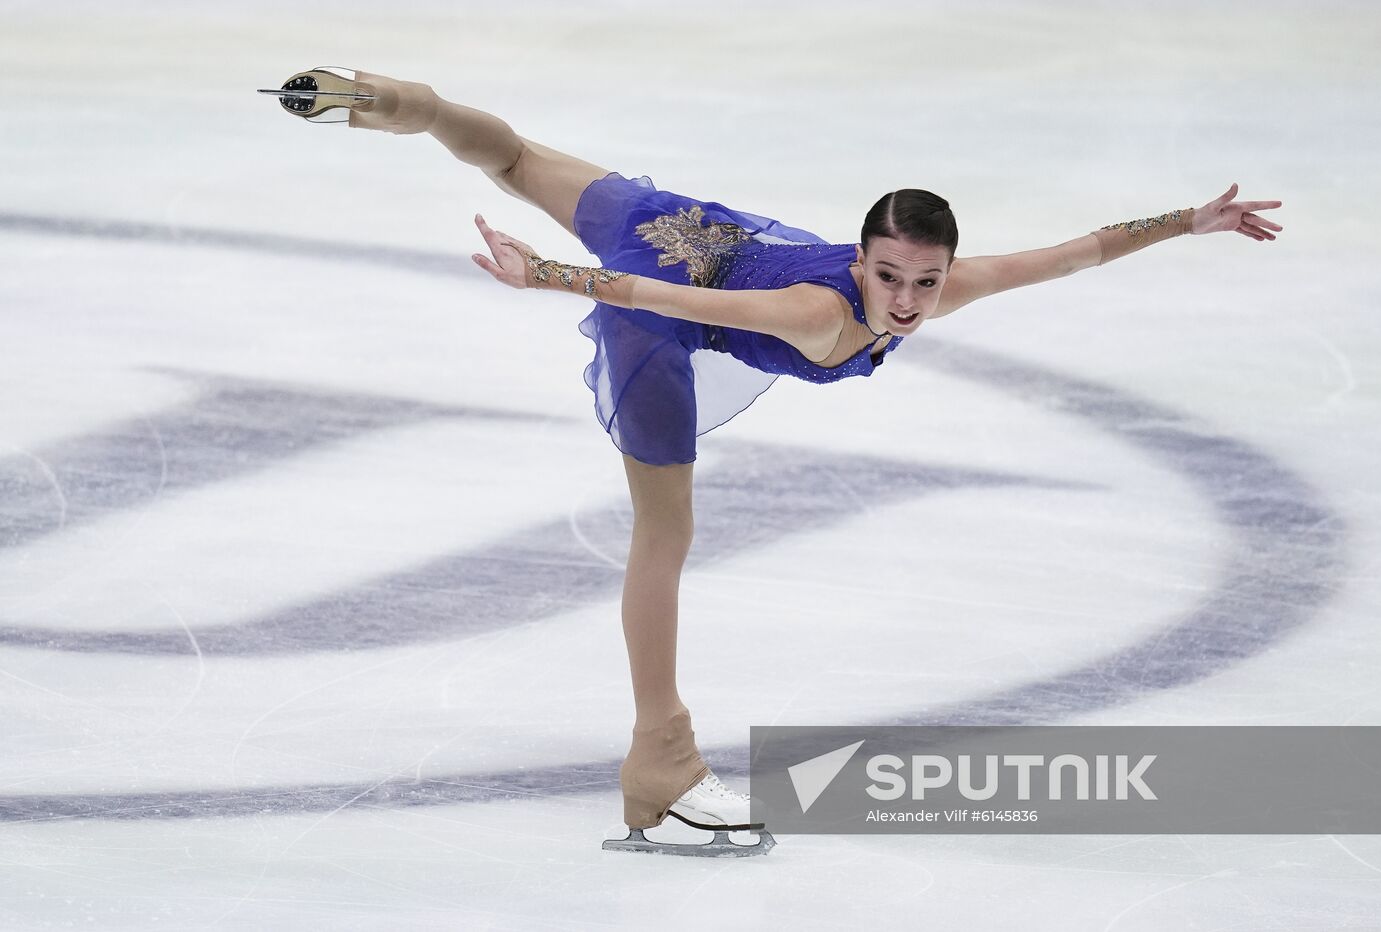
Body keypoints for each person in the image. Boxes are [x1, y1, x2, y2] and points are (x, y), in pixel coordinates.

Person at [263, 67, 1284, 857]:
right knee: (665, 531)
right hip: (659, 304)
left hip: (695, 235)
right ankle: (659, 757)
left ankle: (402, 102)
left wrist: (1183, 222)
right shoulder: (815, 307)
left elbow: (1070, 252)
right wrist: (552, 279)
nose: (905, 300)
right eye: (887, 275)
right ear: (857, 258)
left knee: (513, 156)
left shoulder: (945, 285)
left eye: (923, 282)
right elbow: (680, 304)